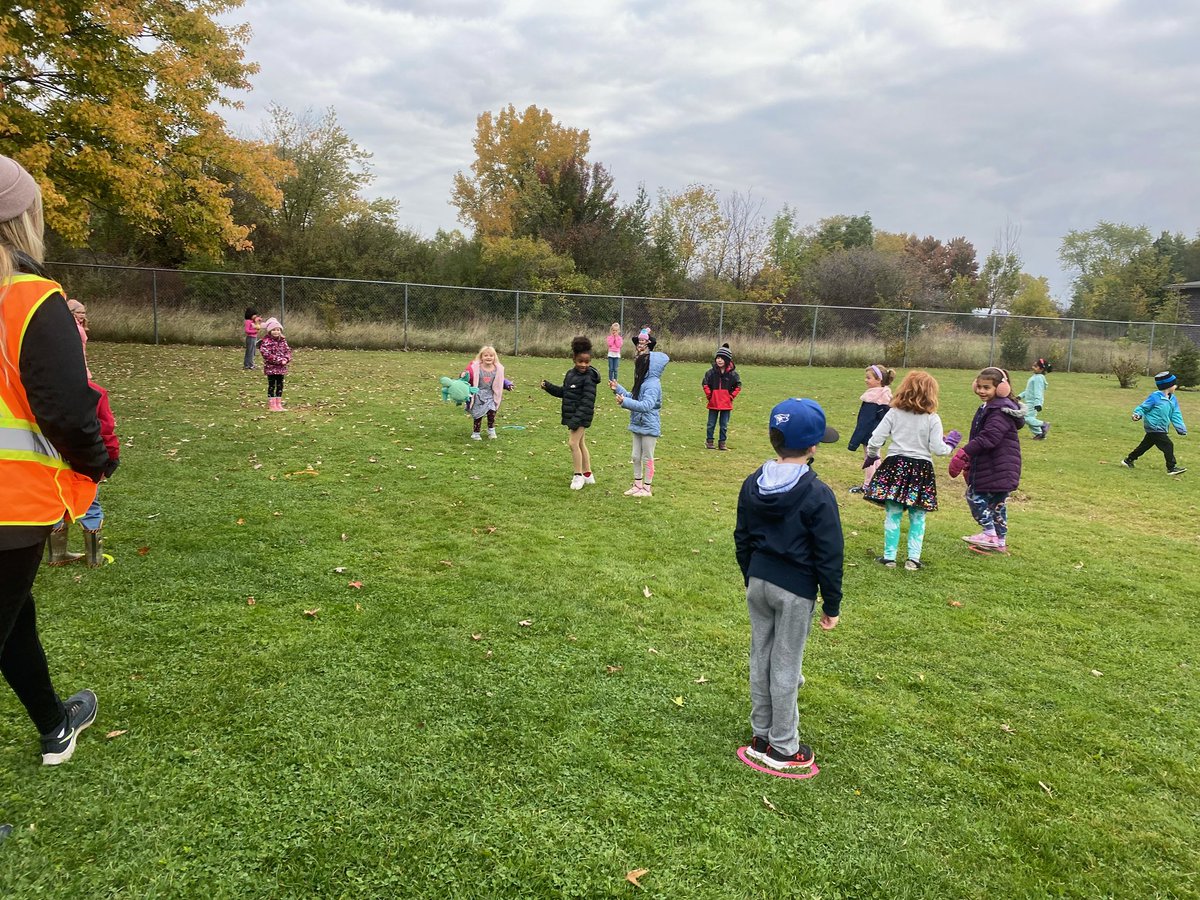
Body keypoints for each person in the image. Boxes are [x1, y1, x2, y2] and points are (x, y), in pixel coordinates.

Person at [0, 154, 114, 764]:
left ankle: (53, 724)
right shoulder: (30, 299)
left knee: (13, 614)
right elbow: (68, 408)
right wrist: (96, 461)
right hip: (10, 503)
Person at [734, 398, 842, 770]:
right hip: (794, 591)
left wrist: (752, 576)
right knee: (785, 664)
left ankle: (760, 733)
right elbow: (830, 554)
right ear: (813, 447)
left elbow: (742, 537)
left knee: (761, 655)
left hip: (758, 583)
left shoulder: (752, 483)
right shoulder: (818, 493)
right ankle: (782, 747)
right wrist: (832, 604)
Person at [863, 371, 960, 570]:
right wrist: (950, 444)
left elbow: (875, 440)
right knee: (918, 515)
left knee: (893, 512)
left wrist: (872, 455)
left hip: (895, 467)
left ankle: (889, 557)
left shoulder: (894, 413)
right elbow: (938, 450)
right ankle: (913, 559)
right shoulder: (932, 418)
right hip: (921, 470)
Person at [48, 378, 120, 568]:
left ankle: (57, 554)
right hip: (84, 459)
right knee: (89, 502)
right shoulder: (94, 392)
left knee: (55, 501)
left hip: (49, 458)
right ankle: (94, 557)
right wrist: (112, 457)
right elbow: (105, 429)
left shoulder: (40, 388)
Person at [958, 367, 1025, 552]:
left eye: (986, 387)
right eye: (979, 386)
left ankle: (989, 533)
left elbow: (989, 438)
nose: (981, 390)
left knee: (974, 496)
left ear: (1001, 388)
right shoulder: (991, 407)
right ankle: (1000, 542)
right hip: (997, 465)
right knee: (997, 504)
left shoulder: (999, 410)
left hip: (997, 466)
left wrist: (964, 453)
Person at [611, 330, 668, 497]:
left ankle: (647, 488)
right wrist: (618, 390)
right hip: (637, 423)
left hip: (649, 425)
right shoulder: (642, 382)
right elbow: (633, 397)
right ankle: (637, 484)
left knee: (647, 457)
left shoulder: (652, 384)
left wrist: (625, 402)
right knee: (636, 456)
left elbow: (646, 405)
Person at [541, 336, 600, 489]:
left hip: (581, 416)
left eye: (587, 362)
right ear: (574, 359)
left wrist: (576, 420)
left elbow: (588, 402)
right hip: (573, 415)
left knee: (572, 443)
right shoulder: (570, 374)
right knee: (580, 443)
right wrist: (549, 387)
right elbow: (565, 392)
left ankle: (578, 475)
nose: (584, 365)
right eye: (581, 361)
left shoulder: (589, 378)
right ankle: (588, 474)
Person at [1122, 371, 1187, 475]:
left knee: (1144, 446)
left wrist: (1180, 428)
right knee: (1168, 445)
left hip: (1161, 427)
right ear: (1168, 386)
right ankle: (1171, 468)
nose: (1176, 386)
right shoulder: (1155, 397)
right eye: (1174, 384)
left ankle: (1128, 460)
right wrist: (1137, 414)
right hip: (1154, 427)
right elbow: (1144, 407)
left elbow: (1176, 414)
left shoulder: (1173, 399)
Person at [846, 364, 895, 493]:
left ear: (878, 380)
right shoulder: (884, 396)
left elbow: (864, 422)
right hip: (879, 434)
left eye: (868, 378)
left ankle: (868, 485)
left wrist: (854, 442)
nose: (865, 380)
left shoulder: (872, 399)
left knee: (870, 459)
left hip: (870, 434)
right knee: (876, 457)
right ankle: (880, 482)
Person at [462, 345, 506, 440]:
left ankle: (491, 430)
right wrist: (463, 375)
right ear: (481, 357)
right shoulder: (475, 368)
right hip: (477, 394)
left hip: (490, 394)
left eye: (491, 355)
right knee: (478, 415)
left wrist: (508, 384)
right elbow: (467, 376)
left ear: (494, 357)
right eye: (486, 355)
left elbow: (501, 380)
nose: (488, 357)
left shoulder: (498, 369)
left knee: (491, 413)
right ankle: (476, 433)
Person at [702, 343, 741, 450]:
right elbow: (705, 384)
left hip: (726, 404)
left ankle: (722, 442)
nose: (719, 360)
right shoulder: (710, 373)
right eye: (718, 358)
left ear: (727, 360)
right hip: (713, 403)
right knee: (711, 424)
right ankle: (709, 441)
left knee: (724, 425)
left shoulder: (733, 375)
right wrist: (710, 395)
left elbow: (738, 386)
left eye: (722, 358)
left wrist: (731, 397)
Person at [258, 317, 292, 411]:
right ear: (269, 331)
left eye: (278, 330)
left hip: (281, 368)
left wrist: (286, 359)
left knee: (280, 385)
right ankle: (272, 404)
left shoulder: (283, 341)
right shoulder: (266, 342)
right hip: (271, 368)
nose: (276, 332)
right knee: (272, 385)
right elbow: (266, 354)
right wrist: (279, 360)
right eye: (273, 330)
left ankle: (278, 404)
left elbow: (288, 351)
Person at [1020, 358, 1051, 439]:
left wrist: (1038, 403)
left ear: (1041, 369)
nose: (1033, 367)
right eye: (1033, 365)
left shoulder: (1038, 378)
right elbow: (1028, 390)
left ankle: (1044, 424)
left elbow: (1038, 391)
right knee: (1030, 418)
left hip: (1033, 402)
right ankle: (1040, 434)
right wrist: (1020, 396)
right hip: (1029, 401)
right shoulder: (1035, 376)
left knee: (1026, 418)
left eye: (1036, 366)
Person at [66, 297, 91, 379]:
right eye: (78, 312)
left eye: (83, 313)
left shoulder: (78, 326)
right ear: (72, 313)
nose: (82, 315)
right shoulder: (76, 327)